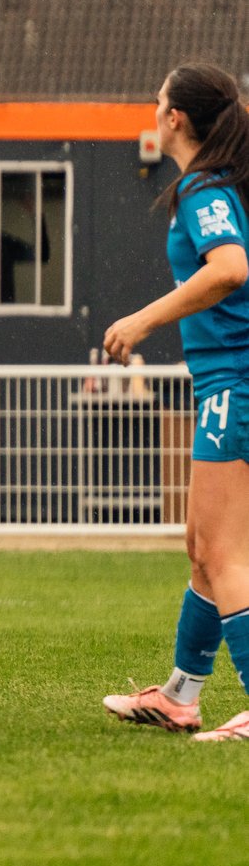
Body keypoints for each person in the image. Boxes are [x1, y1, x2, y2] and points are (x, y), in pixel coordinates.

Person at [102, 63, 249, 741]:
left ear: (176, 120)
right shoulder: (216, 184)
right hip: (227, 386)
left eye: (157, 99)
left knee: (223, 553)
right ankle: (180, 696)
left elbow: (229, 268)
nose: (152, 110)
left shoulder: (202, 187)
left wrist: (140, 321)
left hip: (236, 388)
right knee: (201, 546)